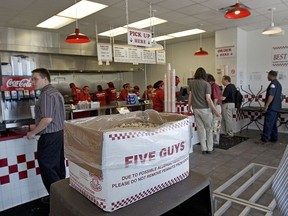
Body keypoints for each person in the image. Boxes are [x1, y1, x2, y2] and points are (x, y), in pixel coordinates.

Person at [27, 68, 66, 204]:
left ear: (45, 79)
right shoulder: (56, 93)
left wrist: (32, 132)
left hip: (49, 137)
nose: (32, 81)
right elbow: (52, 118)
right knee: (58, 167)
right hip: (59, 134)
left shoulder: (46, 94)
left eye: (35, 78)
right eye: (32, 79)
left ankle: (58, 200)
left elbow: (47, 119)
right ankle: (63, 197)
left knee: (48, 168)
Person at [188, 67, 220, 154]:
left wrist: (189, 107)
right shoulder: (206, 84)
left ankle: (203, 148)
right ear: (204, 74)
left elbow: (190, 96)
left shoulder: (191, 83)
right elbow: (208, 99)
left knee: (200, 129)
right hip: (205, 109)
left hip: (195, 109)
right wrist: (215, 111)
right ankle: (209, 148)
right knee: (209, 129)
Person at [259, 70, 282, 144]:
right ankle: (274, 138)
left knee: (268, 123)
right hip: (277, 108)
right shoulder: (278, 84)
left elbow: (271, 96)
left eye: (268, 75)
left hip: (271, 108)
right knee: (273, 124)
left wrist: (266, 106)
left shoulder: (273, 84)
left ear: (271, 75)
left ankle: (264, 139)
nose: (267, 77)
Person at [207, 74, 222, 145]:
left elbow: (215, 98)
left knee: (216, 124)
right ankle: (214, 139)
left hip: (216, 107)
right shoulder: (215, 86)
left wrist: (213, 109)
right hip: (216, 107)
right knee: (215, 123)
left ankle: (215, 140)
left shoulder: (214, 86)